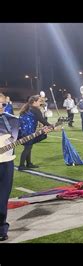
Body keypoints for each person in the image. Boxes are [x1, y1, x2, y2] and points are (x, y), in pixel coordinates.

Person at [0, 93, 20, 241]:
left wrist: (42, 133)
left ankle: (1, 229)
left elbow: (24, 136)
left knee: (2, 199)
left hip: (6, 164)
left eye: (3, 104)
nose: (1, 107)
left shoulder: (11, 120)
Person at [18, 95, 53, 170]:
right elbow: (42, 120)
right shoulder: (34, 109)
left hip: (23, 131)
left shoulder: (28, 108)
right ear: (34, 102)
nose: (41, 103)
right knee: (28, 148)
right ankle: (21, 166)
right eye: (39, 101)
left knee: (28, 147)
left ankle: (28, 163)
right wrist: (52, 126)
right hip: (28, 132)